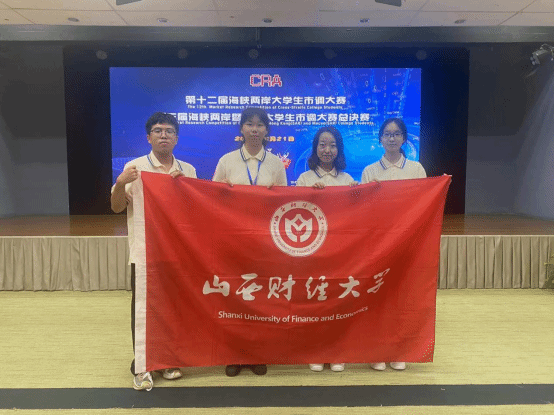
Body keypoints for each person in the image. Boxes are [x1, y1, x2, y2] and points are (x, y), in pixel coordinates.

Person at [111, 112, 197, 391]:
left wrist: (184, 188)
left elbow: (194, 213)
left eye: (169, 131)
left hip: (175, 253)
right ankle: (142, 365)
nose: (164, 135)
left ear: (176, 138)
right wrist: (121, 182)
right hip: (144, 252)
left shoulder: (188, 170)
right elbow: (116, 207)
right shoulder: (134, 168)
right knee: (143, 310)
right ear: (148, 137)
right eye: (158, 130)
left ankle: (168, 360)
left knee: (173, 309)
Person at [213, 107, 287, 377]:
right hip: (233, 241)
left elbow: (283, 203)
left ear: (267, 131)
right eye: (249, 124)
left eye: (260, 125)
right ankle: (234, 353)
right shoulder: (227, 161)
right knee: (234, 297)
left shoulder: (275, 164)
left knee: (261, 298)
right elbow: (212, 199)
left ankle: (258, 353)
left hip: (265, 242)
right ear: (241, 129)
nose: (255, 130)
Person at [361, 117, 426, 372]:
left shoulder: (416, 169)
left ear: (404, 139)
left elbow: (423, 203)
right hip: (378, 244)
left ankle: (399, 350)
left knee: (402, 298)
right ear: (380, 139)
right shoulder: (369, 171)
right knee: (378, 298)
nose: (391, 138)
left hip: (407, 243)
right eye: (387, 134)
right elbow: (364, 209)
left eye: (397, 134)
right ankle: (377, 350)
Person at [296, 126, 357, 373]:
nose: (327, 150)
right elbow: (295, 211)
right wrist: (312, 195)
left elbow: (357, 215)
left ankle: (337, 351)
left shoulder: (348, 180)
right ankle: (316, 351)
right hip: (313, 252)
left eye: (332, 145)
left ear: (339, 149)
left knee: (338, 302)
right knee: (315, 302)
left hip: (341, 253)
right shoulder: (304, 179)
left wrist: (360, 193)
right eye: (322, 144)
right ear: (315, 148)